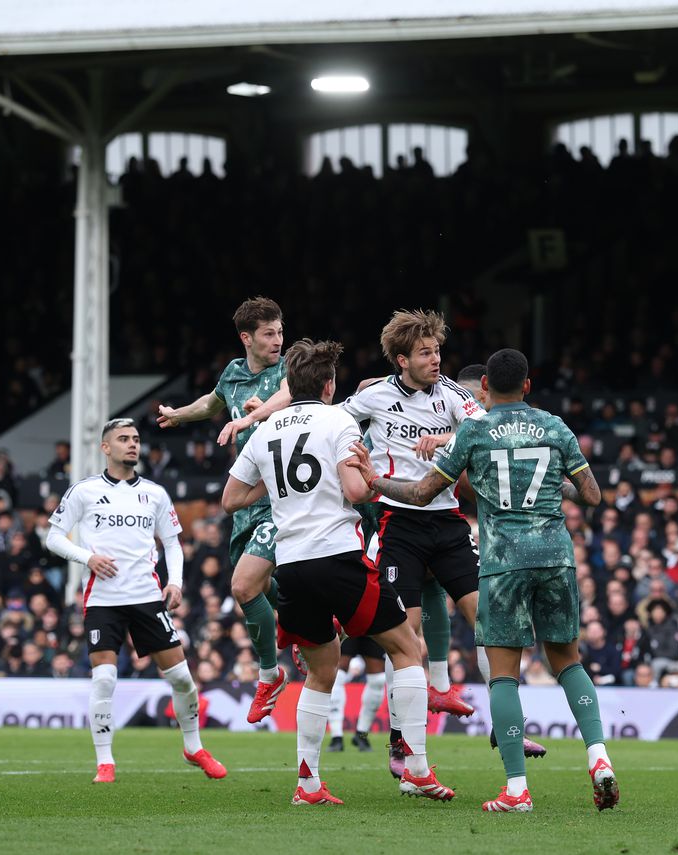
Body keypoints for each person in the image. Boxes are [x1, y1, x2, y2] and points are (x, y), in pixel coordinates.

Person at [350, 348, 618, 813]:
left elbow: (418, 492)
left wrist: (374, 482)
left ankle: (516, 790)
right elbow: (591, 496)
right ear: (529, 385)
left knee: (504, 677)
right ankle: (598, 757)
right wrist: (557, 484)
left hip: (504, 562)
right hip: (556, 556)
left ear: (486, 389)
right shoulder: (555, 427)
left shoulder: (474, 431)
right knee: (568, 663)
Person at [222, 339, 453, 805]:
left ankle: (308, 785)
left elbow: (231, 499)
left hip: (291, 565)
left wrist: (277, 493)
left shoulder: (265, 431)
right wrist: (369, 479)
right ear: (329, 385)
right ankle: (419, 770)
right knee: (408, 649)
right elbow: (354, 490)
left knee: (321, 671)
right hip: (337, 556)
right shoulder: (339, 420)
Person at [46, 417, 226, 784]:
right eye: (123, 438)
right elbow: (53, 537)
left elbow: (173, 543)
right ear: (105, 447)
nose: (132, 444)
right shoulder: (84, 491)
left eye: (136, 439)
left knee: (182, 680)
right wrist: (88, 557)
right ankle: (105, 762)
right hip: (103, 599)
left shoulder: (156, 493)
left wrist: (175, 582)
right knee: (104, 681)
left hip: (147, 596)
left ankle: (193, 747)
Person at [156, 296, 289, 723]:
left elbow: (290, 396)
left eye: (280, 331)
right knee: (260, 590)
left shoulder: (288, 370)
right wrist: (179, 415)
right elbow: (213, 404)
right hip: (245, 501)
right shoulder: (233, 373)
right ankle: (298, 627)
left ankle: (269, 674)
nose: (277, 340)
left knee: (244, 587)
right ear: (246, 338)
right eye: (269, 334)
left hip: (283, 498)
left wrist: (251, 419)